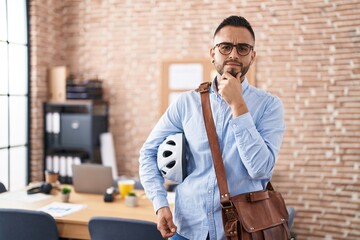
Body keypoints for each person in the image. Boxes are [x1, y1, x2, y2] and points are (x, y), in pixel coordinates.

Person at [139, 15, 285, 240]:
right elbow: (148, 153)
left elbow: (260, 170)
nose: (234, 54)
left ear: (252, 56)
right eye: (225, 47)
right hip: (186, 230)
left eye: (243, 48)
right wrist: (160, 204)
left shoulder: (269, 106)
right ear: (213, 53)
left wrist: (238, 105)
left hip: (243, 232)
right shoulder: (186, 103)